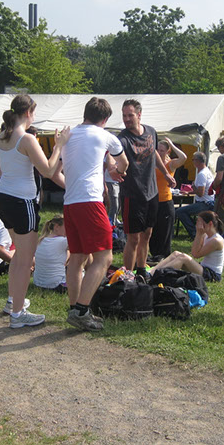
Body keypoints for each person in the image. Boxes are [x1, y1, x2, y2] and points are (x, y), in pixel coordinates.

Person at [0, 95, 69, 329]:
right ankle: (18, 314)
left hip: (3, 199)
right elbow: (48, 171)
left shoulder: (0, 138)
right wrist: (59, 146)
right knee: (25, 261)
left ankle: (12, 302)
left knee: (19, 256)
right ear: (28, 113)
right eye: (34, 113)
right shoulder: (26, 139)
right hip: (22, 202)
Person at [62, 97, 128, 331]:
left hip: (70, 202)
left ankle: (75, 308)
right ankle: (82, 310)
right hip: (90, 201)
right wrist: (116, 170)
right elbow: (124, 163)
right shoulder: (106, 136)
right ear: (105, 119)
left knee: (77, 257)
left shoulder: (68, 135)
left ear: (85, 114)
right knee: (104, 258)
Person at [118, 99, 175, 280]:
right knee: (133, 238)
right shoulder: (123, 138)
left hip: (152, 192)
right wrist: (112, 169)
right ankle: (128, 275)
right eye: (124, 115)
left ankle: (142, 269)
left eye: (130, 115)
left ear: (139, 115)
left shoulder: (150, 131)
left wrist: (165, 174)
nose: (126, 119)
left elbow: (154, 153)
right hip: (132, 194)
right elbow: (113, 157)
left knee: (147, 234)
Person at [151, 210, 224, 282]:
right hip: (203, 267)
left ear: (210, 224)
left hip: (212, 274)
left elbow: (195, 254)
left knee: (183, 258)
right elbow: (195, 250)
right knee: (176, 253)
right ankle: (151, 272)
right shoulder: (205, 235)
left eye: (199, 222)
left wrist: (199, 234)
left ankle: (158, 275)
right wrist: (200, 235)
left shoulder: (216, 240)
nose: (197, 225)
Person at [149, 138, 187, 258]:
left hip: (165, 201)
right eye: (157, 150)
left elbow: (183, 158)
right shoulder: (152, 162)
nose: (159, 152)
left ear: (168, 151)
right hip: (152, 201)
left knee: (164, 232)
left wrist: (171, 144)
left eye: (162, 150)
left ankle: (164, 256)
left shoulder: (170, 164)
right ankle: (154, 255)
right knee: (153, 231)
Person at [176, 151, 215, 238]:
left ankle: (194, 233)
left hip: (204, 204)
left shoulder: (202, 174)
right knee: (182, 211)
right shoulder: (207, 171)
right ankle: (198, 231)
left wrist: (193, 187)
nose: (192, 162)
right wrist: (189, 192)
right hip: (209, 201)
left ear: (198, 161)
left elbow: (200, 193)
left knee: (180, 211)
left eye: (193, 160)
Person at [33, 217, 69, 292]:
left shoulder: (41, 240)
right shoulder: (62, 241)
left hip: (38, 283)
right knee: (83, 254)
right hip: (57, 285)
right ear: (56, 227)